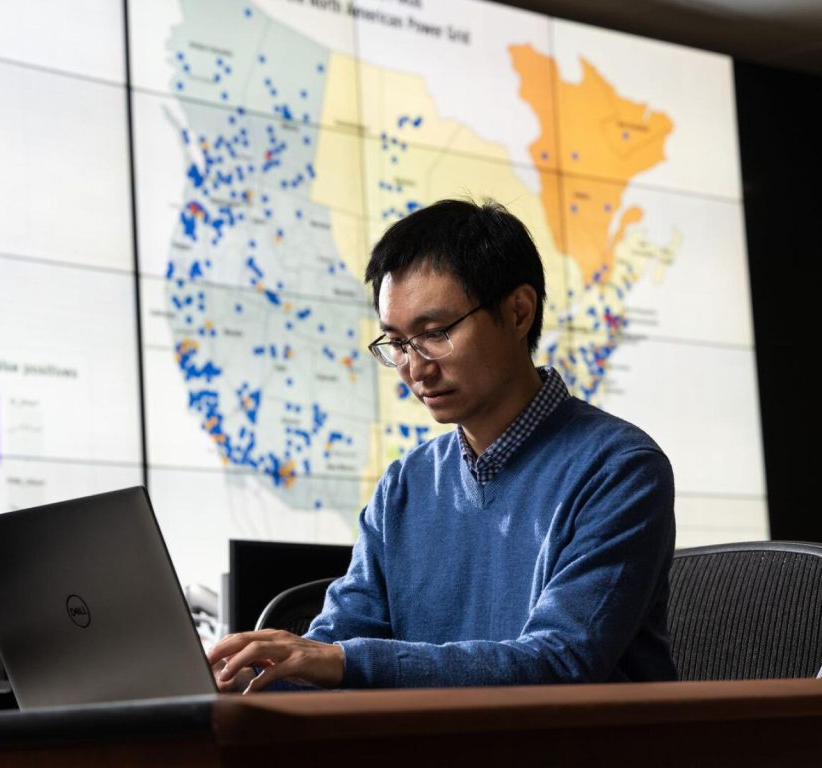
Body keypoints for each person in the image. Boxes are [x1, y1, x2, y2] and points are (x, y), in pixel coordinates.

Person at [209, 198, 677, 693]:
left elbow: (560, 662)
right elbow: (329, 650)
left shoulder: (619, 469)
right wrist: (237, 676)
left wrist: (346, 661)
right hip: (434, 754)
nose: (416, 367)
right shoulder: (404, 486)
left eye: (435, 333)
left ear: (519, 312)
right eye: (397, 343)